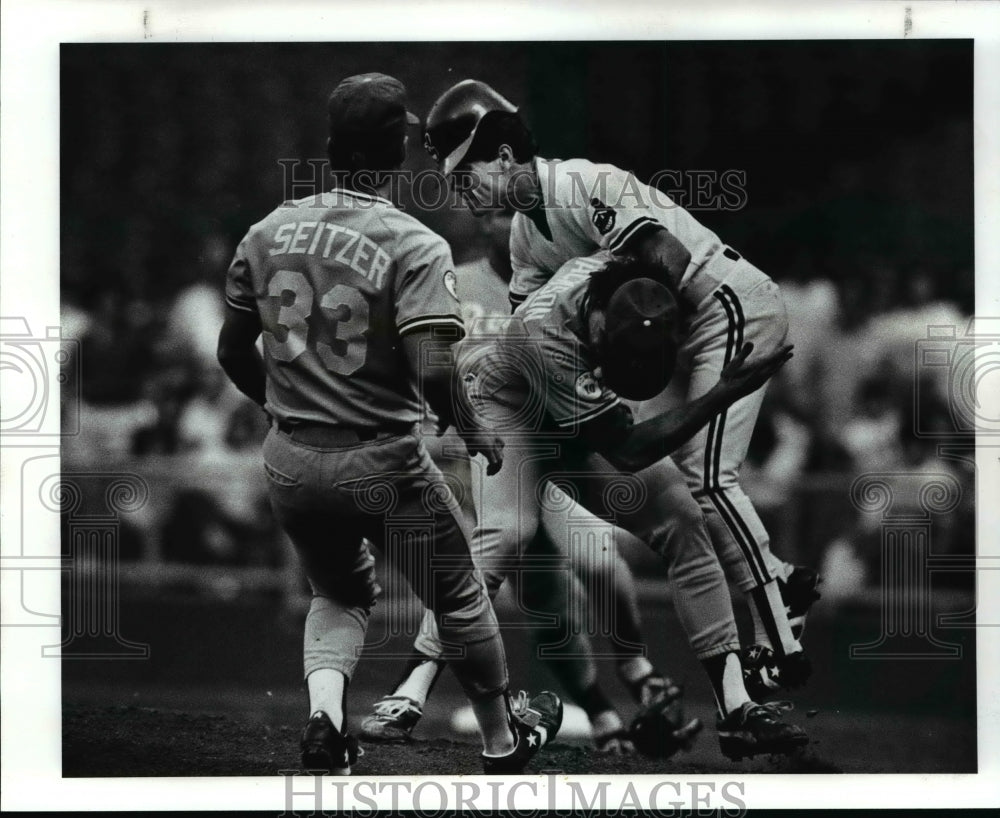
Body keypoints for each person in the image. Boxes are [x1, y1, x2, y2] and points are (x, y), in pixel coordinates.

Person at [421, 80, 821, 695]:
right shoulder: (528, 234)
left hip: (729, 304)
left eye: (463, 171)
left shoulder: (581, 183)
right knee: (695, 478)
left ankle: (781, 636)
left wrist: (613, 357)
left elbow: (666, 266)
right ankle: (780, 583)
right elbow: (539, 327)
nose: (459, 189)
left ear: (503, 157)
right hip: (685, 331)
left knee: (708, 477)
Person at [216, 72, 562, 775]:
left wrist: (286, 413)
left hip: (290, 460)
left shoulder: (265, 232)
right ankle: (501, 739)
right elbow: (436, 370)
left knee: (338, 592)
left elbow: (231, 350)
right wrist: (470, 430)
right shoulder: (416, 244)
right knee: (459, 592)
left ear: (329, 147)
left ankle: (322, 720)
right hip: (383, 460)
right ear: (398, 154)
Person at [411, 251, 807, 760]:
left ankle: (732, 706)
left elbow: (670, 255)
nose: (500, 222)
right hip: (513, 423)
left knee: (672, 524)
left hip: (576, 421)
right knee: (514, 547)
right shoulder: (533, 321)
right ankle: (412, 686)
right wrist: (723, 392)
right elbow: (627, 450)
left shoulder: (626, 273)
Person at [363, 210, 679, 754]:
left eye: (515, 212)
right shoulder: (454, 281)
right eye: (490, 212)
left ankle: (636, 674)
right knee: (517, 573)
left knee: (596, 561)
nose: (504, 223)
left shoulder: (560, 277)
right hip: (473, 457)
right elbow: (415, 359)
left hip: (554, 448)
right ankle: (597, 712)